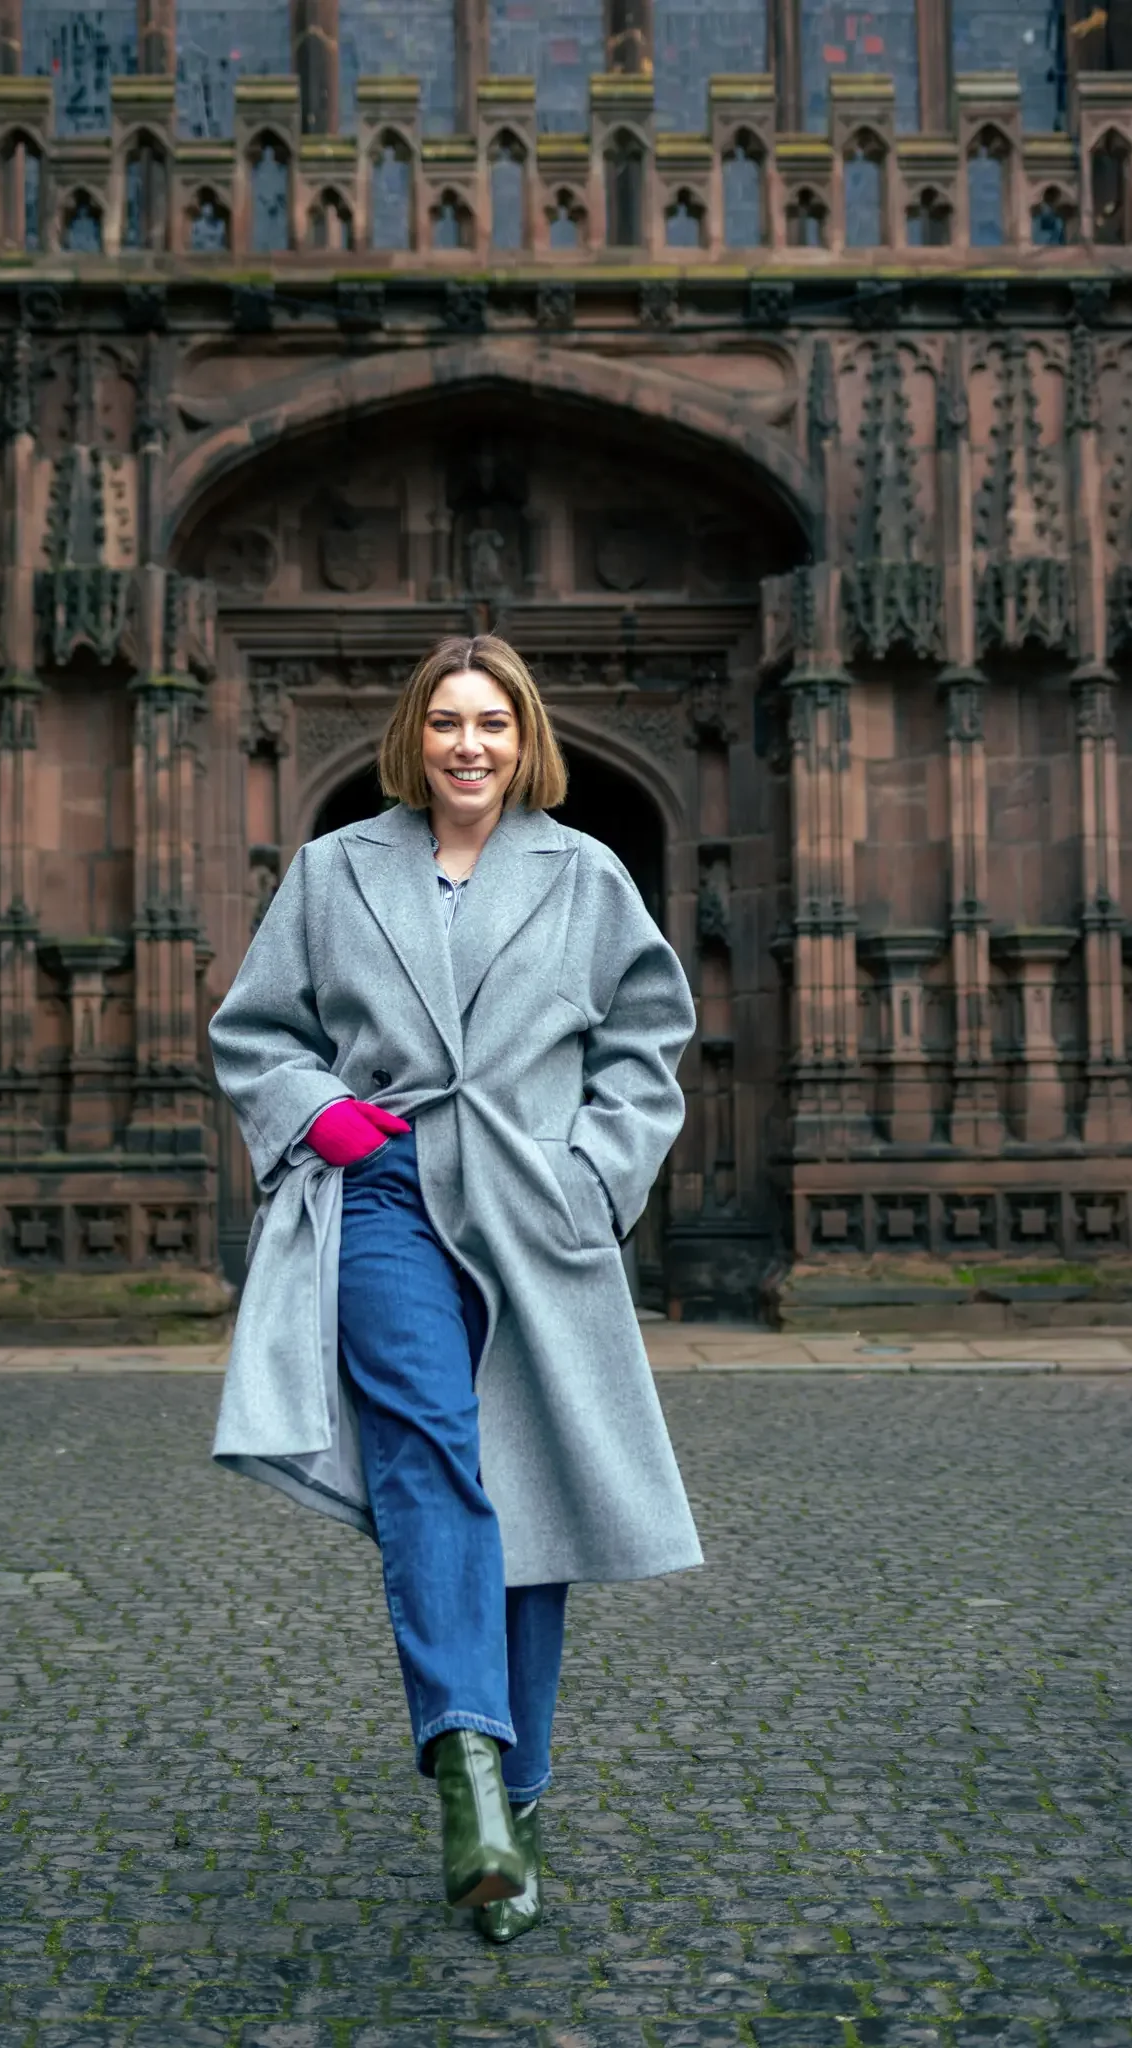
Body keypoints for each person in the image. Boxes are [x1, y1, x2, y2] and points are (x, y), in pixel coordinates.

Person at [209, 633, 703, 1942]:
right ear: (412, 738)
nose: (469, 744)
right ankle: (469, 1769)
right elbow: (256, 1029)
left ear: (524, 737)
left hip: (537, 1207)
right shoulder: (333, 870)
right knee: (431, 1457)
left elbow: (650, 1040)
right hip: (386, 1194)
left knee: (522, 1495)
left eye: (491, 721)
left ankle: (520, 1802)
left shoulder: (586, 874)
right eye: (446, 722)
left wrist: (596, 1177)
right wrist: (328, 1121)